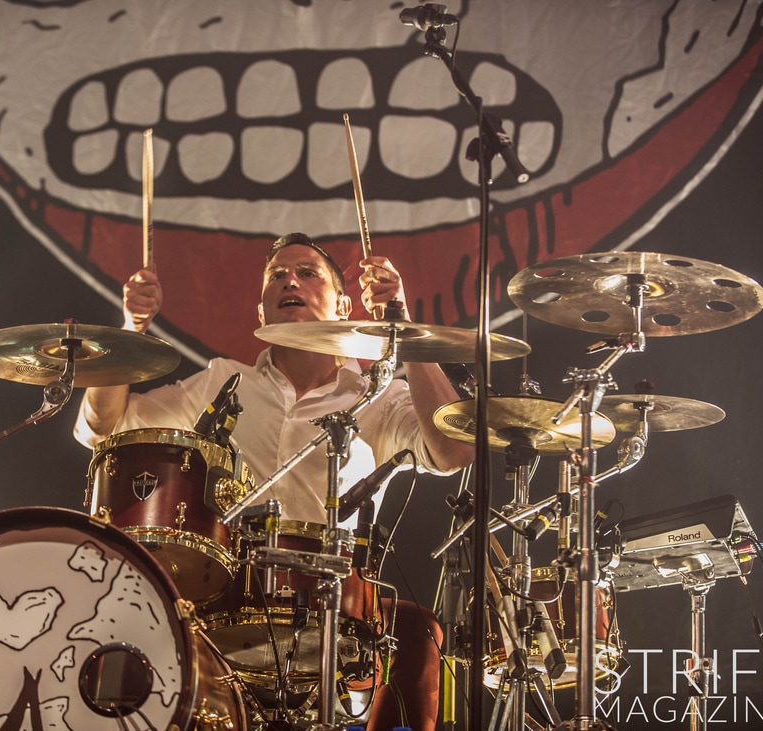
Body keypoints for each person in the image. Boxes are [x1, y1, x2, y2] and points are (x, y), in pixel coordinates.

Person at [74, 232, 475, 730]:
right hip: (223, 597)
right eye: (277, 276)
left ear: (344, 306)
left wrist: (404, 329)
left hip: (334, 603)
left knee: (419, 632)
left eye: (308, 273)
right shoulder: (223, 381)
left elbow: (454, 451)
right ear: (262, 312)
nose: (291, 281)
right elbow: (104, 427)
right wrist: (130, 328)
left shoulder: (378, 396)